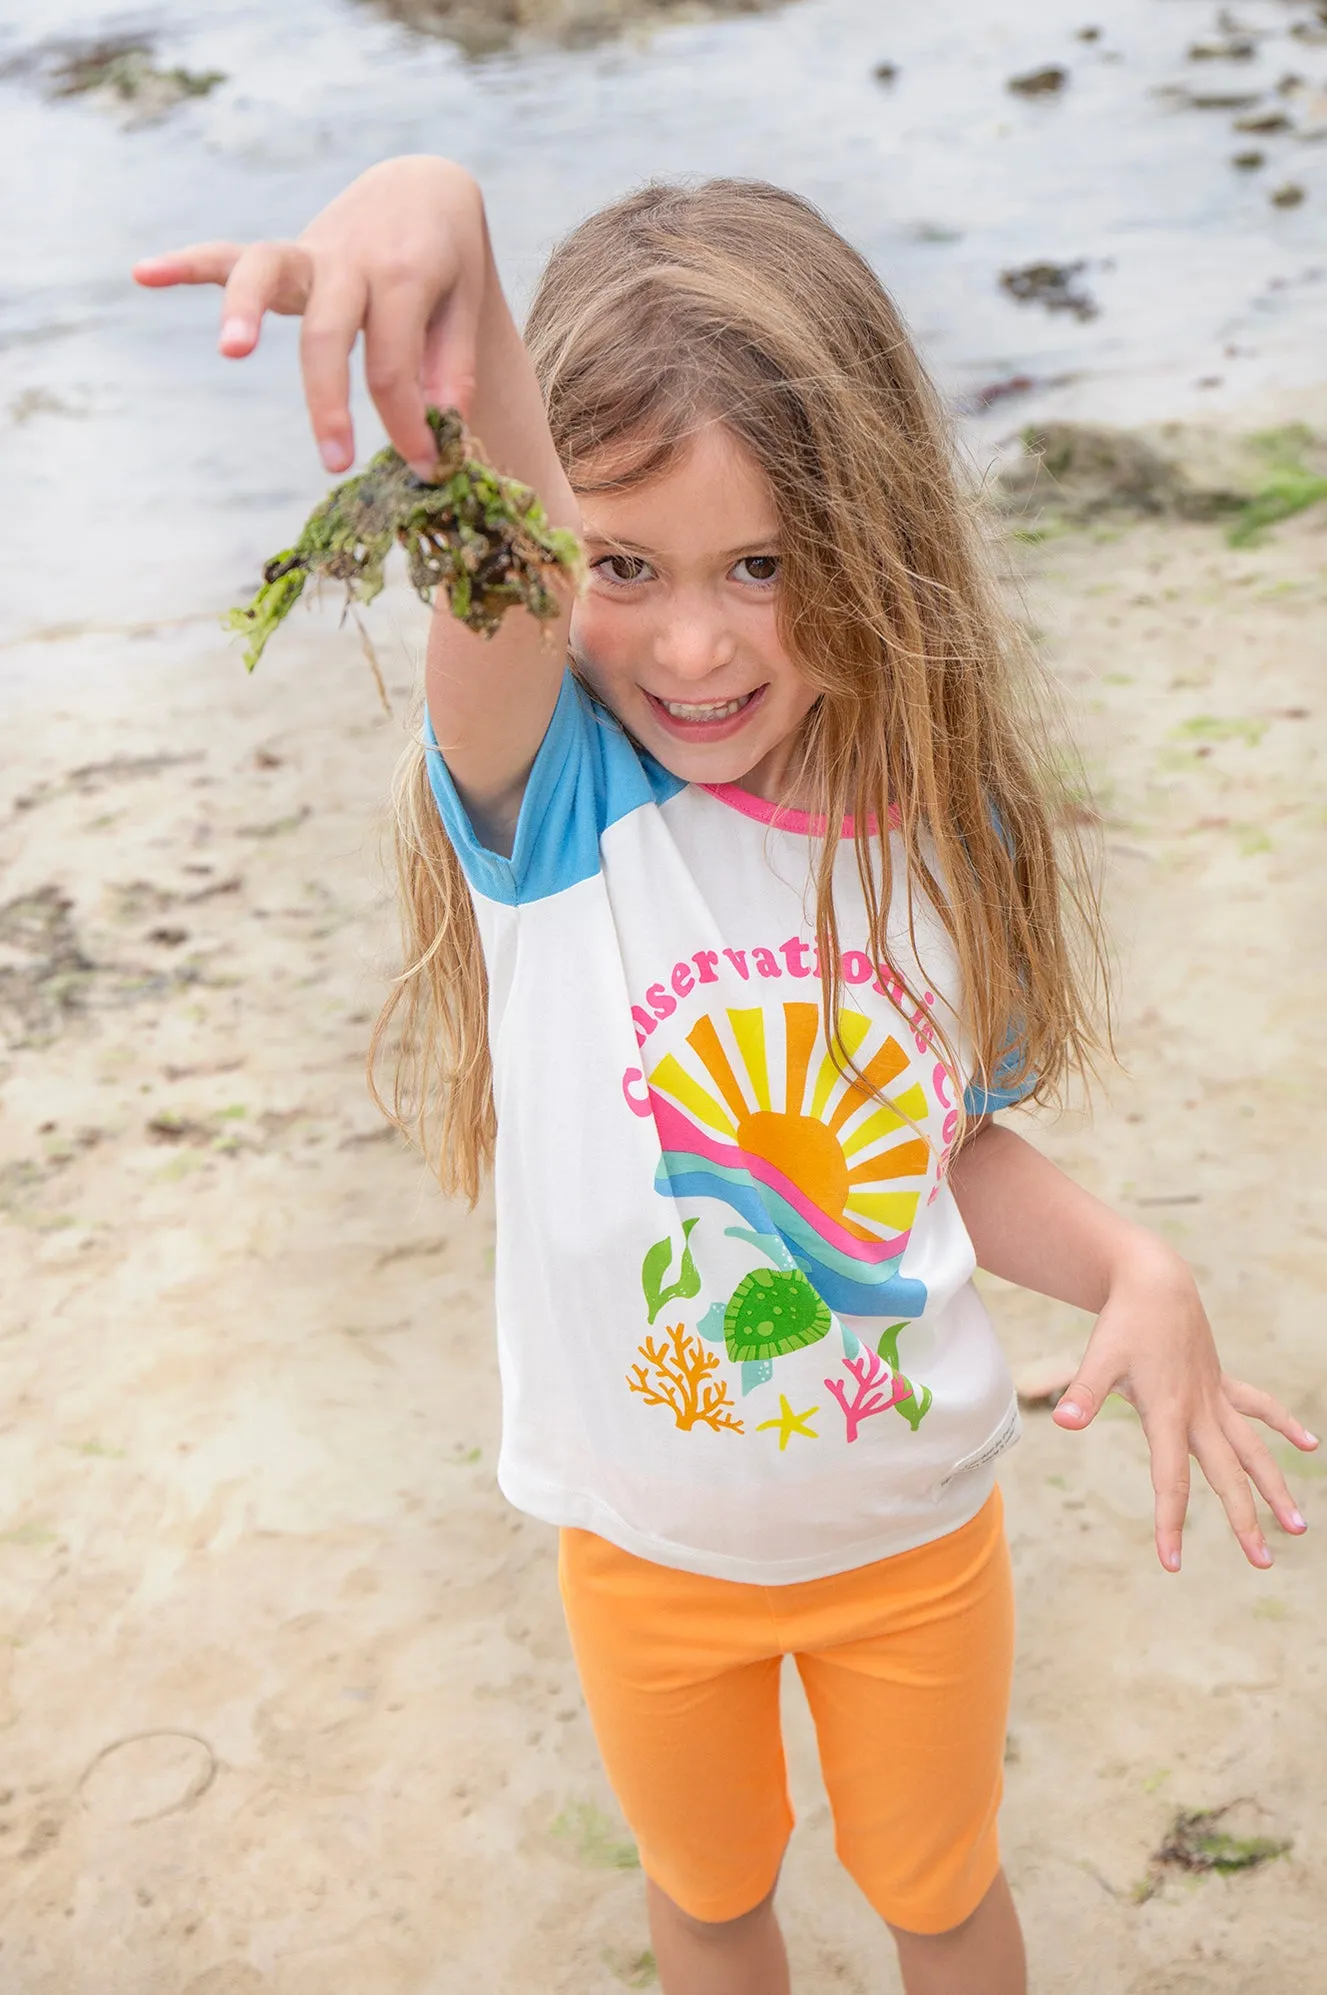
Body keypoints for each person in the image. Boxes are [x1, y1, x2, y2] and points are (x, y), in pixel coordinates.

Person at [135, 157, 1316, 1995]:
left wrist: (1130, 1267)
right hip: (649, 1552)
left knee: (939, 1892)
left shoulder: (939, 820)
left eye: (760, 566)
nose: (692, 641)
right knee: (704, 1899)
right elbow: (505, 544)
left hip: (917, 1536)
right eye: (630, 566)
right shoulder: (558, 812)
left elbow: (951, 1141)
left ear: (869, 541)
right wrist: (443, 216)